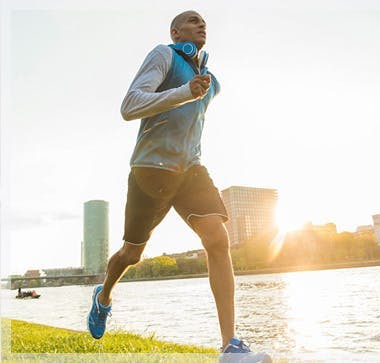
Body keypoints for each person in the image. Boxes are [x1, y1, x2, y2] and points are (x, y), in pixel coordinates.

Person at [87, 10, 271, 363]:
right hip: (151, 169)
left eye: (204, 22)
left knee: (217, 239)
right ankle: (104, 296)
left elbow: (192, 127)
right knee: (132, 254)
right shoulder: (164, 55)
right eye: (192, 20)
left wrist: (195, 91)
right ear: (176, 32)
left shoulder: (211, 82)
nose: (202, 24)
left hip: (190, 170)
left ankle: (230, 347)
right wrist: (184, 92)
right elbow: (130, 106)